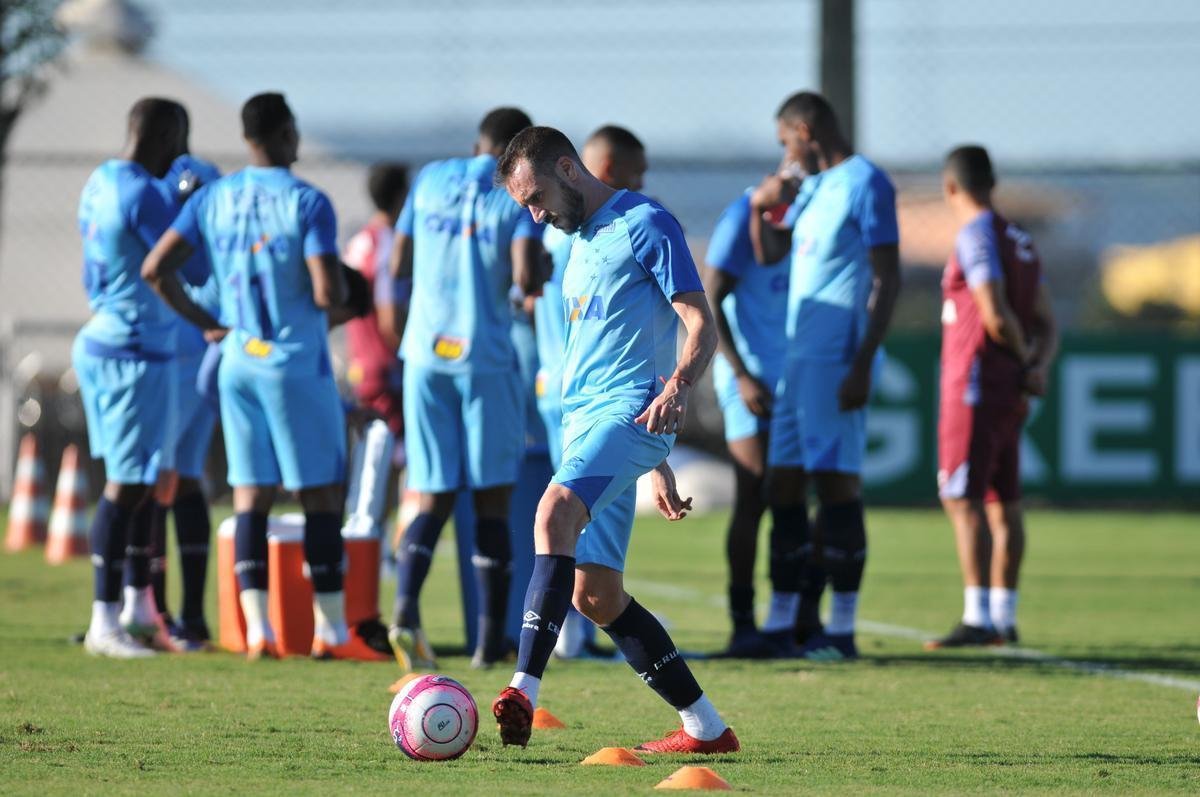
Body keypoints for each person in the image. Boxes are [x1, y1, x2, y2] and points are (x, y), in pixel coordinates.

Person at [490, 125, 739, 755]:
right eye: (524, 206)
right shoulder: (575, 241)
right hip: (592, 426)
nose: (535, 214)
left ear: (568, 170)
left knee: (553, 513)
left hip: (627, 413)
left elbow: (700, 323)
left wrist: (679, 388)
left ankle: (522, 689)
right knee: (595, 596)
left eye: (537, 198)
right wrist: (650, 462)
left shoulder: (645, 223)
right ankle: (707, 729)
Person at [141, 92, 389, 662]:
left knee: (250, 496)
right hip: (294, 365)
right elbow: (326, 291)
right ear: (285, 134)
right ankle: (331, 632)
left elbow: (156, 268)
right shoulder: (307, 201)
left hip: (239, 362)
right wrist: (331, 292)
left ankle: (258, 631)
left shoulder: (214, 197)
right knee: (319, 493)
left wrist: (208, 323)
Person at [386, 108, 544, 671]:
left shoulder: (430, 178)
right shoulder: (515, 193)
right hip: (484, 358)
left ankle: (404, 612)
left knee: (432, 494)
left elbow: (398, 262)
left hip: (425, 355)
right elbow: (526, 277)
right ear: (519, 152)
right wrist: (538, 269)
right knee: (491, 499)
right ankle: (488, 643)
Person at [749, 91, 901, 661]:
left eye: (786, 141)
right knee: (783, 485)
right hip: (796, 361)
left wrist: (862, 361)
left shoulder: (866, 183)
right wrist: (764, 205)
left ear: (805, 131)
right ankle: (783, 623)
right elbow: (770, 254)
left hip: (837, 358)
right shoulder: (811, 189)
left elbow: (888, 276)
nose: (786, 153)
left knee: (837, 486)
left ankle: (842, 629)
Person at [926, 145, 1058, 648]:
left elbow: (995, 313)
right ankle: (1004, 616)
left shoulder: (975, 234)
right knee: (1005, 501)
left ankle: (978, 618)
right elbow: (1047, 321)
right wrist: (1038, 365)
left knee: (963, 498)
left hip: (977, 383)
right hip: (1010, 390)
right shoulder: (1018, 238)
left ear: (950, 187)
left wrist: (1022, 359)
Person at [74, 97, 186, 658]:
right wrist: (187, 203)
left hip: (106, 338)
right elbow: (185, 260)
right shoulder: (146, 193)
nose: (183, 154)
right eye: (180, 141)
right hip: (133, 350)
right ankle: (104, 621)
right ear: (164, 137)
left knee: (144, 480)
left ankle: (138, 607)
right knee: (127, 484)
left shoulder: (99, 180)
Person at [537, 124, 649, 661]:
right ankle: (570, 636)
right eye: (636, 173)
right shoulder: (576, 236)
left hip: (588, 399)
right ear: (605, 169)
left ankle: (556, 649)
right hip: (583, 399)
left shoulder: (613, 228)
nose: (640, 185)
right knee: (577, 527)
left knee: (562, 514)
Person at [131, 126, 225, 652]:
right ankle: (187, 616)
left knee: (157, 482)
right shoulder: (210, 181)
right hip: (203, 346)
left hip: (175, 349)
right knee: (184, 480)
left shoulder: (170, 186)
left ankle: (159, 614)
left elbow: (157, 267)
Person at [703, 169, 791, 657]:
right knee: (753, 495)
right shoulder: (740, 216)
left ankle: (786, 619)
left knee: (789, 499)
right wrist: (740, 373)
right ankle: (743, 624)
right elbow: (710, 297)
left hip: (792, 377)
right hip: (749, 379)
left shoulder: (797, 216)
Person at [343, 162, 409, 439]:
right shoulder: (389, 245)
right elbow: (389, 319)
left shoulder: (358, 241)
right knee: (393, 452)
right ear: (400, 197)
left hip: (359, 361)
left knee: (369, 449)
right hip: (385, 367)